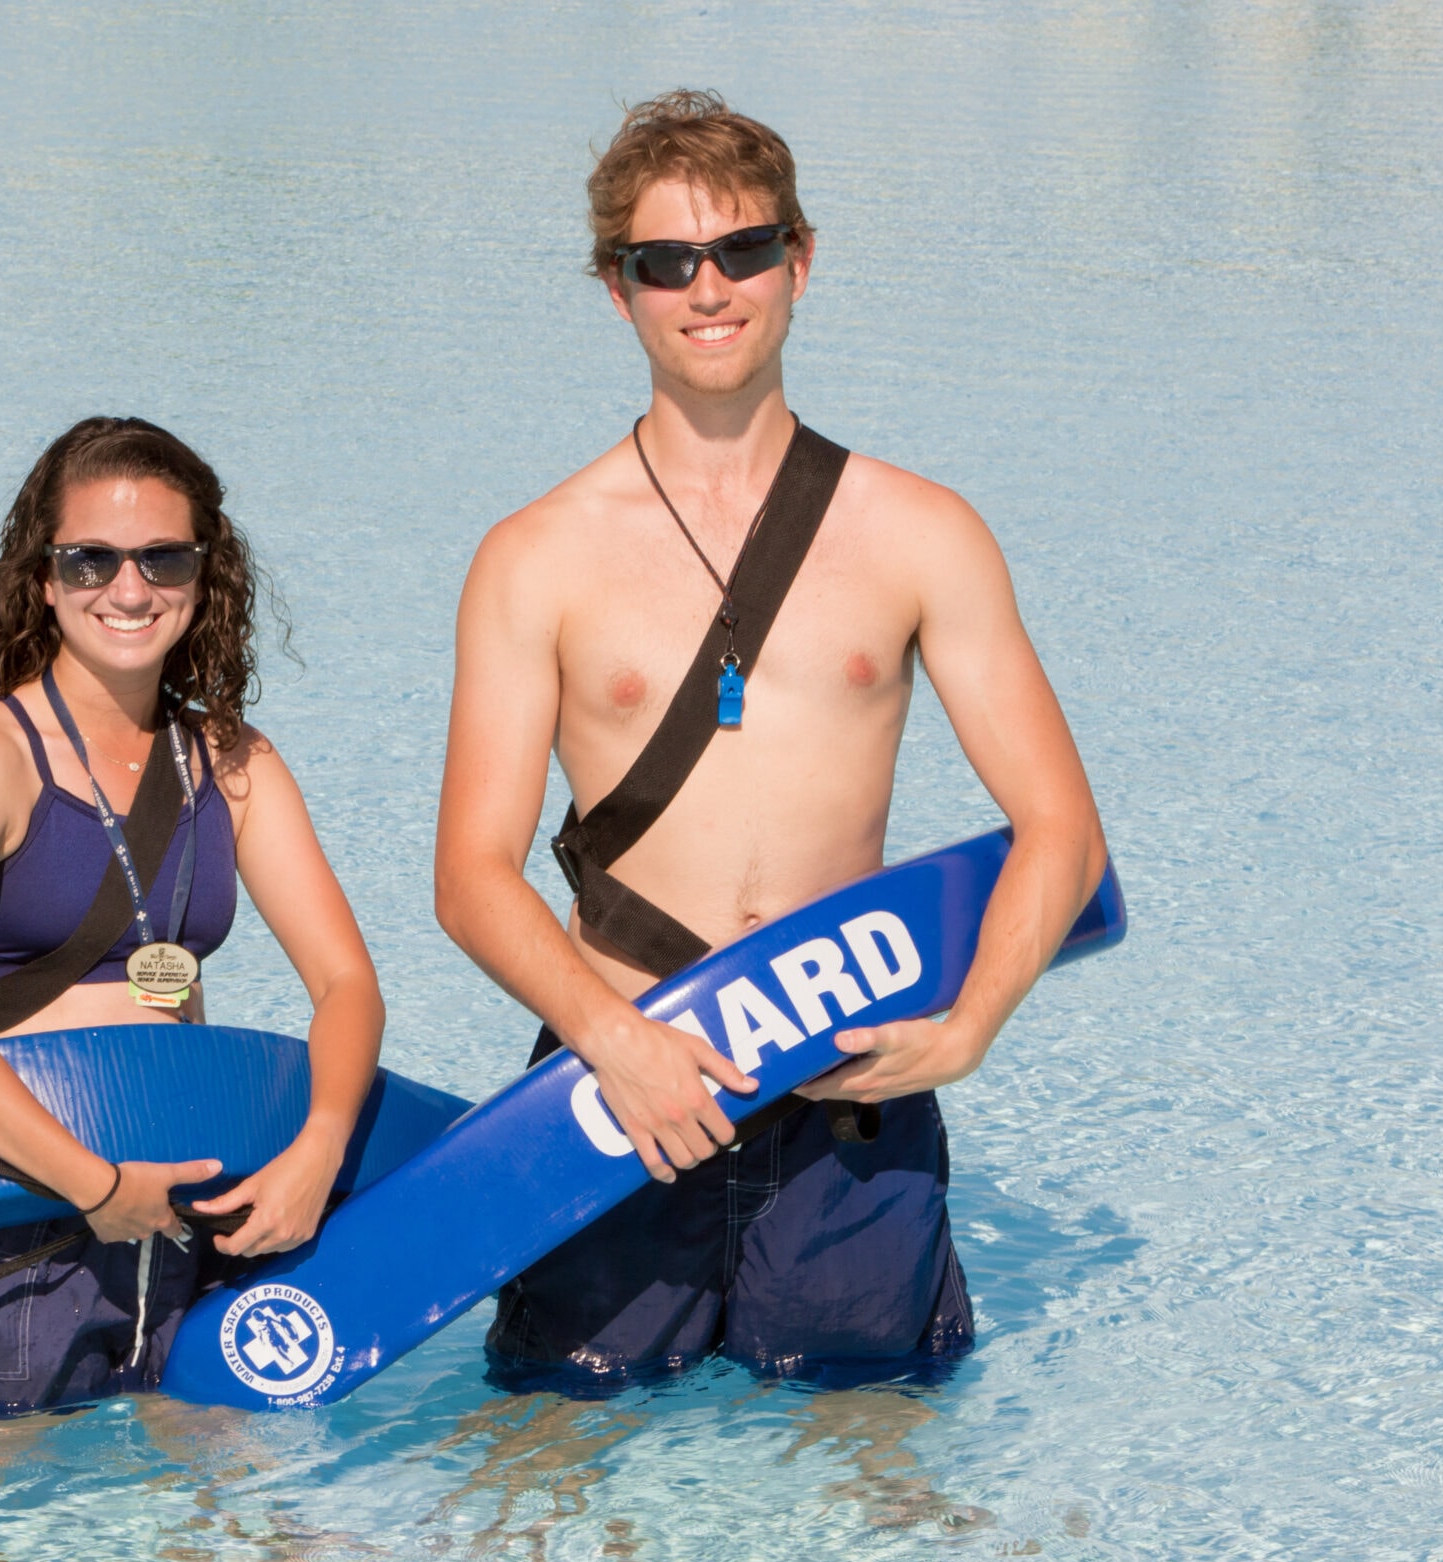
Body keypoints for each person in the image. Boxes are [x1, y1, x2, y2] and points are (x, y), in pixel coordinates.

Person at [433, 91, 1108, 1391]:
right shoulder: (535, 556)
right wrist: (616, 1040)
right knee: (547, 1469)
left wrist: (970, 1028)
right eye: (665, 261)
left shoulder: (922, 532)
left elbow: (1063, 830)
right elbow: (471, 871)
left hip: (847, 1092)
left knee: (878, 1471)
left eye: (741, 249)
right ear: (615, 286)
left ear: (799, 260)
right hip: (610, 1077)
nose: (708, 287)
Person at [0, 416, 384, 1415]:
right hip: (20, 1218)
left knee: (214, 1541)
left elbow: (346, 983)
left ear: (206, 573)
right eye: (91, 559)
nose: (130, 588)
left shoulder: (237, 767)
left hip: (196, 1215)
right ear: (44, 575)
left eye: (162, 557)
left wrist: (319, 1148)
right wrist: (96, 1187)